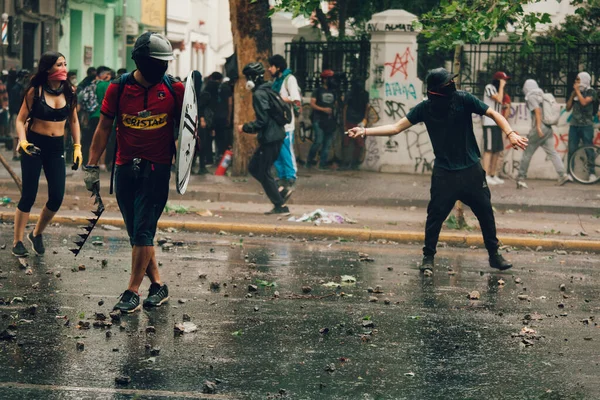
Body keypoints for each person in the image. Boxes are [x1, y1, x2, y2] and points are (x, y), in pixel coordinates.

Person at [347, 68, 528, 273]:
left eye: (452, 82)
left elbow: (493, 113)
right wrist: (364, 131)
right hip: (445, 174)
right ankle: (428, 258)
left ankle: (494, 255)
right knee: (435, 215)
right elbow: (396, 127)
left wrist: (511, 133)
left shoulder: (463, 99)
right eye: (447, 84)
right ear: (434, 91)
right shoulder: (425, 108)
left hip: (471, 170)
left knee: (485, 212)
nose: (452, 86)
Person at [84, 32, 184, 313]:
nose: (163, 67)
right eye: (158, 61)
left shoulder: (175, 89)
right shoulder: (118, 88)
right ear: (142, 61)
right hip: (125, 167)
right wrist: (92, 167)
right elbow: (103, 128)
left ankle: (132, 291)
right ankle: (158, 285)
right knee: (139, 232)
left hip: (157, 168)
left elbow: (188, 129)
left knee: (143, 229)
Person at [12, 51, 82, 257]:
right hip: (34, 145)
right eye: (59, 64)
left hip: (56, 148)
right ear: (48, 68)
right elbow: (19, 120)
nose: (64, 68)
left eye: (65, 64)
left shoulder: (69, 91)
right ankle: (17, 241)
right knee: (29, 195)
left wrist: (78, 146)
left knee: (57, 197)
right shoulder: (35, 91)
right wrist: (23, 141)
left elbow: (74, 121)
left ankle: (36, 233)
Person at [237, 62, 289, 215]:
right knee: (254, 167)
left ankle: (280, 205)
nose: (246, 81)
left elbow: (262, 121)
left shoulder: (259, 94)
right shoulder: (268, 89)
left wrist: (245, 127)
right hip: (275, 136)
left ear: (252, 78)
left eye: (247, 77)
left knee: (263, 170)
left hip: (270, 138)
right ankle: (279, 192)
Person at [516, 79, 571, 189]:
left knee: (527, 152)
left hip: (539, 127)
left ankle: (521, 178)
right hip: (548, 127)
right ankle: (562, 175)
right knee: (552, 152)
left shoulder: (531, 96)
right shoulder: (541, 95)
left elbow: (537, 111)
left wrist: (537, 128)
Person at [268, 54, 301, 196]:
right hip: (276, 123)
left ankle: (291, 177)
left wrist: (276, 98)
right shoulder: (277, 81)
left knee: (286, 151)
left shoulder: (289, 79)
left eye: (271, 66)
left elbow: (295, 98)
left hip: (286, 124)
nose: (269, 69)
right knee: (277, 152)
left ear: (278, 67)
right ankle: (282, 177)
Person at [566, 71, 597, 182]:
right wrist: (573, 95)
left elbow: (584, 102)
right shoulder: (575, 92)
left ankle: (592, 173)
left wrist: (578, 91)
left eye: (578, 80)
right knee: (572, 149)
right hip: (574, 125)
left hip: (586, 125)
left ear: (584, 80)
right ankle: (569, 173)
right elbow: (568, 107)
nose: (576, 82)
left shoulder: (591, 92)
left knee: (589, 149)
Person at [482, 71, 510, 185]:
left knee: (497, 150)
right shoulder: (489, 87)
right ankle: (485, 175)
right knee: (488, 150)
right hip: (489, 123)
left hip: (497, 123)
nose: (505, 82)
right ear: (498, 80)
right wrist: (502, 87)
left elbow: (499, 103)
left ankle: (493, 174)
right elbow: (498, 99)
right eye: (503, 80)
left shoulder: (499, 90)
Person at [308, 69, 337, 170]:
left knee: (327, 143)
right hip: (318, 119)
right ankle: (310, 161)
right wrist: (323, 109)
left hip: (329, 120)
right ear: (324, 79)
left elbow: (336, 104)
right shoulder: (318, 91)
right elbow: (312, 104)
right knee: (319, 141)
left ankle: (322, 164)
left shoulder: (333, 91)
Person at [342, 76, 369, 170]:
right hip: (356, 121)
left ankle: (349, 163)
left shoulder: (350, 93)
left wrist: (344, 122)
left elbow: (345, 108)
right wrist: (365, 119)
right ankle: (351, 163)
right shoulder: (363, 94)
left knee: (351, 143)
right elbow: (367, 107)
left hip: (354, 120)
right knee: (356, 143)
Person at [9, 69, 30, 160]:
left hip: (22, 114)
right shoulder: (15, 88)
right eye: (26, 77)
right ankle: (15, 154)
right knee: (16, 135)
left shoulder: (23, 88)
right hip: (16, 114)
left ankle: (20, 152)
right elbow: (14, 103)